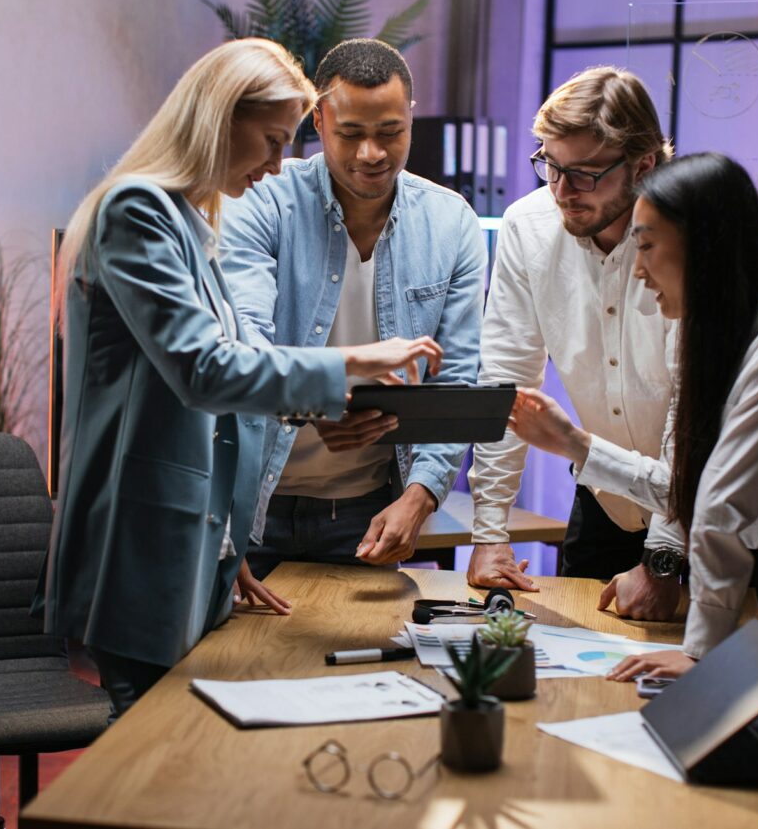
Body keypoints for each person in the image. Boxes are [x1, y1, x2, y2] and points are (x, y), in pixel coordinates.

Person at [510, 152, 758, 829]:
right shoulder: (711, 329)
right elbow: (686, 488)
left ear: (702, 244)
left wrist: (701, 652)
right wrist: (576, 445)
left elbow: (721, 507)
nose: (637, 270)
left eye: (647, 246)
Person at [35, 38, 442, 719]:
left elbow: (220, 406)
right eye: (273, 141)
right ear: (220, 119)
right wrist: (354, 361)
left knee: (176, 750)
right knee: (150, 760)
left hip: (185, 543)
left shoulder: (190, 222)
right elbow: (205, 371)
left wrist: (223, 542)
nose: (278, 165)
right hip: (138, 545)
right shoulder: (136, 212)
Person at [221, 38, 485, 578]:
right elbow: (245, 345)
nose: (372, 153)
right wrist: (319, 405)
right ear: (317, 121)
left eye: (390, 132)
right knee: (236, 661)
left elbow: (455, 378)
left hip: (369, 510)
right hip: (250, 504)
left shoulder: (451, 222)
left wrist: (422, 495)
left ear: (410, 119)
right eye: (350, 134)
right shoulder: (263, 199)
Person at [468, 66, 679, 605]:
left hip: (694, 516)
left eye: (584, 174)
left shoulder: (686, 236)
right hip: (604, 499)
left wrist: (663, 557)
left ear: (644, 165)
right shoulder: (528, 225)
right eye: (550, 166)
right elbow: (506, 380)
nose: (562, 191)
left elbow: (693, 418)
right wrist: (490, 531)